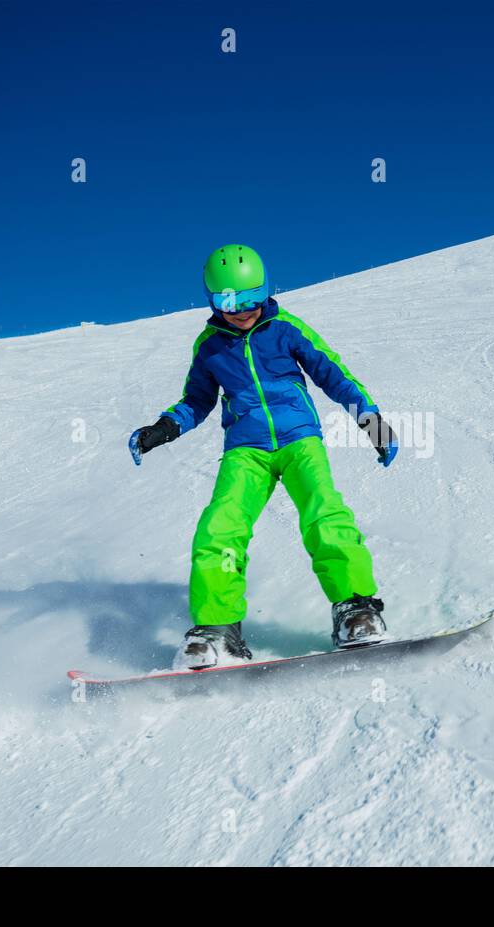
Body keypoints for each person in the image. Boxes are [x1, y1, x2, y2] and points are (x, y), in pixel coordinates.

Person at [130, 244, 398, 670]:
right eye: (228, 302)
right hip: (245, 450)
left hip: (299, 440)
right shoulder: (210, 347)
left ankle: (355, 607)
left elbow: (333, 374)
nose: (242, 310)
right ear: (212, 301)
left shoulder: (286, 328)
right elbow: (196, 400)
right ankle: (217, 630)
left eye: (253, 298)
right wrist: (164, 427)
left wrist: (372, 421)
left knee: (323, 513)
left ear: (267, 290)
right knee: (220, 527)